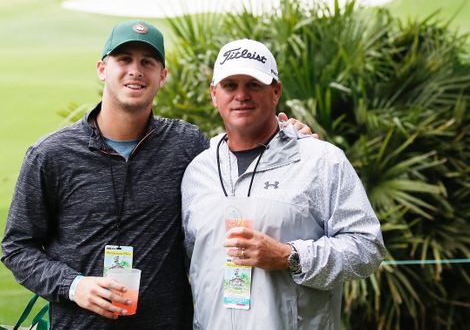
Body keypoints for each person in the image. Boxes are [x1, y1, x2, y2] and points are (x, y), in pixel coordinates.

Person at [1, 21, 310, 329]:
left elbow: (241, 158)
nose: (136, 70)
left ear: (162, 77)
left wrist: (287, 135)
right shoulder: (52, 155)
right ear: (101, 69)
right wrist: (73, 286)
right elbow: (16, 247)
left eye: (147, 62)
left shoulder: (187, 145)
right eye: (124, 60)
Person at [181, 39, 385, 329]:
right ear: (214, 94)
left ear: (275, 91)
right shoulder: (198, 171)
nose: (241, 95)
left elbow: (367, 249)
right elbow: (192, 260)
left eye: (254, 84)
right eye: (230, 86)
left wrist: (289, 256)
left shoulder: (322, 161)